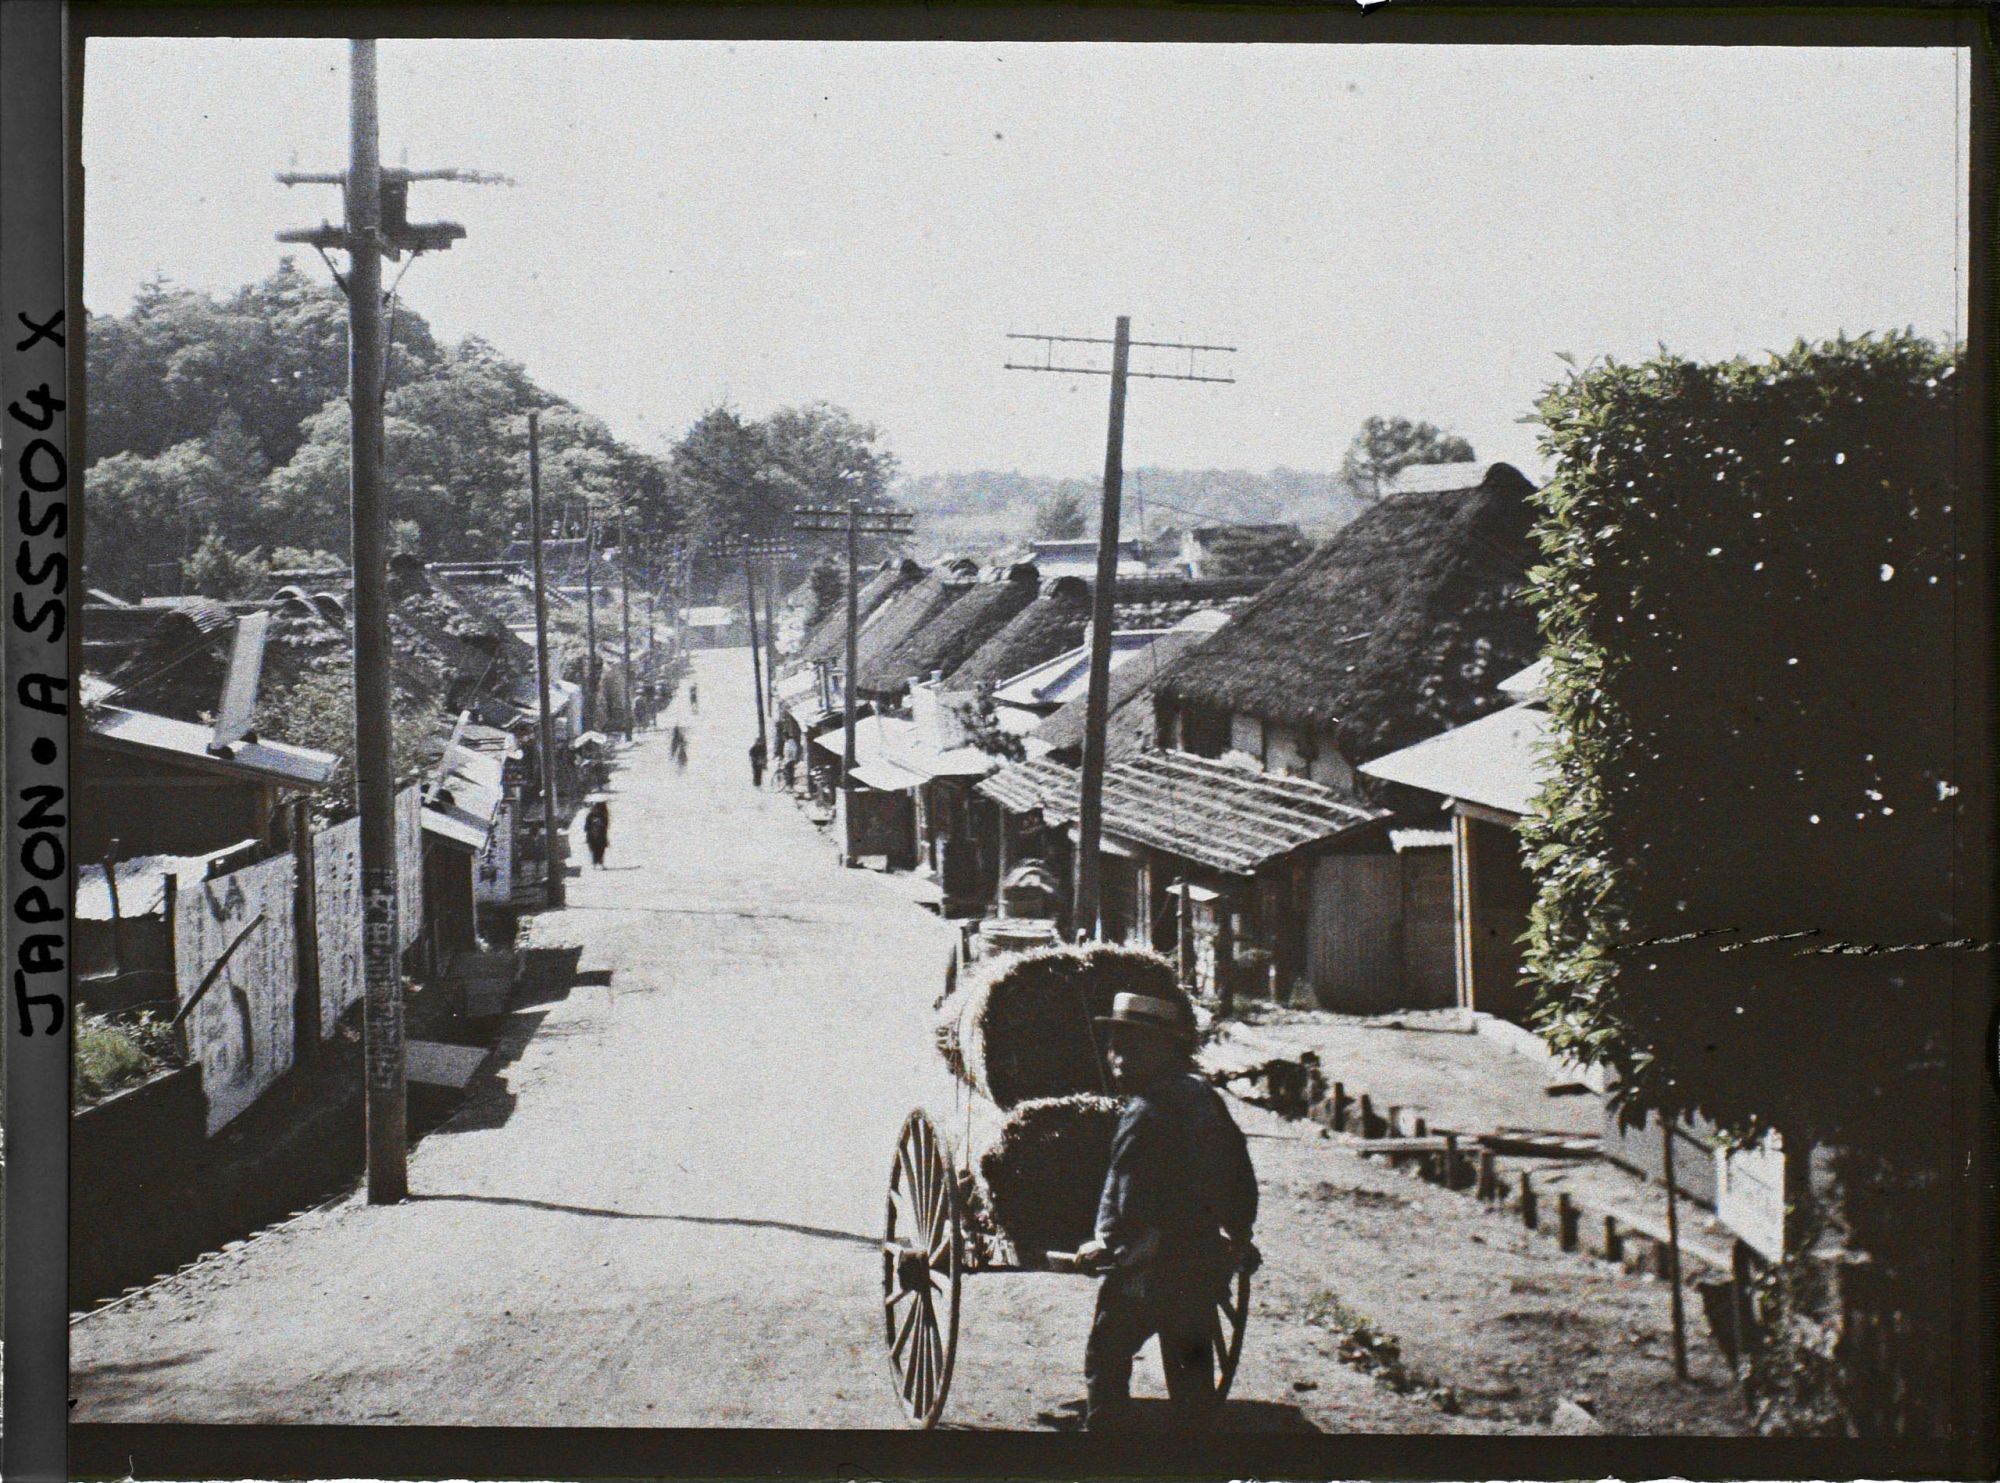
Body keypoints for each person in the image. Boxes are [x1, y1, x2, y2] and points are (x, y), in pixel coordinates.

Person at [1073, 991, 1259, 1433]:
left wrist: (1106, 1248)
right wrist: (1238, 1235)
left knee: (1107, 1356)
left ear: (1167, 1051)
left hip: (1149, 1269)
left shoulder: (1144, 1112)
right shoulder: (1206, 1100)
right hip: (1201, 1264)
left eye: (1133, 1048)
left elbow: (1127, 1198)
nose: (1118, 1059)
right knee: (1191, 1375)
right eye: (1115, 1046)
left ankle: (1105, 1449)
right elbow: (1239, 1177)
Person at [583, 800, 610, 869]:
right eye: (594, 808)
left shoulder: (603, 816)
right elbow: (586, 827)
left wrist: (600, 824)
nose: (596, 809)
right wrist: (592, 826)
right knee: (593, 850)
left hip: (601, 836)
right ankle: (594, 863)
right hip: (591, 836)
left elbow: (606, 826)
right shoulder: (590, 815)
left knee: (601, 850)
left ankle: (600, 863)